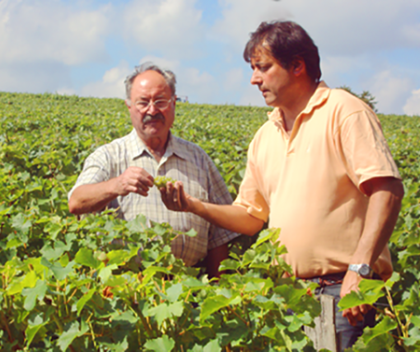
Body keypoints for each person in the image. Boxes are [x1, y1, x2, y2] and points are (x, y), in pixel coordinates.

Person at [160, 21, 404, 350]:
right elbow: (250, 216)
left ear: (298, 66)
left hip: (346, 294)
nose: (254, 79)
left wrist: (359, 270)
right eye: (253, 69)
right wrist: (193, 205)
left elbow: (386, 190)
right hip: (289, 299)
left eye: (263, 67)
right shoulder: (265, 135)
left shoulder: (344, 111)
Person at [68, 62, 239, 277]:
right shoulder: (109, 156)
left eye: (160, 101)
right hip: (127, 291)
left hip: (190, 290)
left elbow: (221, 233)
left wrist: (216, 290)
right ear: (129, 107)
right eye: (143, 102)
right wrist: (117, 184)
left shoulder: (198, 158)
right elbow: (76, 201)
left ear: (174, 103)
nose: (152, 110)